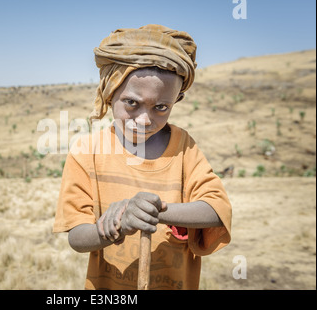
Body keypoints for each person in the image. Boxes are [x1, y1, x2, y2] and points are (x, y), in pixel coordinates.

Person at [53, 24, 232, 290]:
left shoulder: (183, 147)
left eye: (161, 107)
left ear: (176, 100)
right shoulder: (86, 153)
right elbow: (77, 237)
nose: (144, 120)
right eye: (132, 103)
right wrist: (120, 225)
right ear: (109, 92)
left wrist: (156, 211)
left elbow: (217, 211)